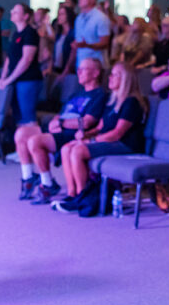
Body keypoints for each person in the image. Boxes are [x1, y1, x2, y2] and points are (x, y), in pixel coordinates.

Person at [56, 62, 147, 208]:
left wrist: (91, 141)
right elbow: (100, 127)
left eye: (115, 75)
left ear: (125, 79)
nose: (110, 77)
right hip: (109, 141)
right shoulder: (112, 101)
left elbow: (117, 133)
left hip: (126, 145)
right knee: (66, 148)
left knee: (78, 151)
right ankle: (72, 194)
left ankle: (82, 196)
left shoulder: (131, 102)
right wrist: (85, 135)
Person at [22, 58, 106, 203]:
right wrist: (55, 122)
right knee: (21, 134)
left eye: (84, 69)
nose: (78, 72)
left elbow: (87, 122)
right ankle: (28, 177)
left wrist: (61, 123)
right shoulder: (76, 94)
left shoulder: (99, 94)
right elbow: (61, 114)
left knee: (35, 141)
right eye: (78, 68)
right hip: (60, 129)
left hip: (72, 135)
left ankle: (47, 185)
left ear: (96, 73)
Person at [0, 3, 45, 161]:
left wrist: (10, 78)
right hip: (16, 81)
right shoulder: (15, 34)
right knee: (19, 116)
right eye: (12, 10)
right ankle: (22, 150)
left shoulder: (30, 33)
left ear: (25, 16)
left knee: (28, 116)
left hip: (28, 80)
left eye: (15, 11)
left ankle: (34, 150)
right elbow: (10, 59)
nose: (11, 12)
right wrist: (4, 77)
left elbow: (27, 59)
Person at [71, 0, 111, 68]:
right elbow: (78, 42)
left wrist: (87, 45)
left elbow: (105, 43)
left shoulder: (100, 18)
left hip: (96, 66)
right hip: (80, 65)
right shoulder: (79, 19)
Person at [50, 5, 75, 78]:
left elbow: (73, 53)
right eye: (58, 14)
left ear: (68, 16)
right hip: (57, 68)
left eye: (62, 14)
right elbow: (54, 52)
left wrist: (67, 70)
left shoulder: (73, 33)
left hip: (68, 71)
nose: (59, 17)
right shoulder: (59, 34)